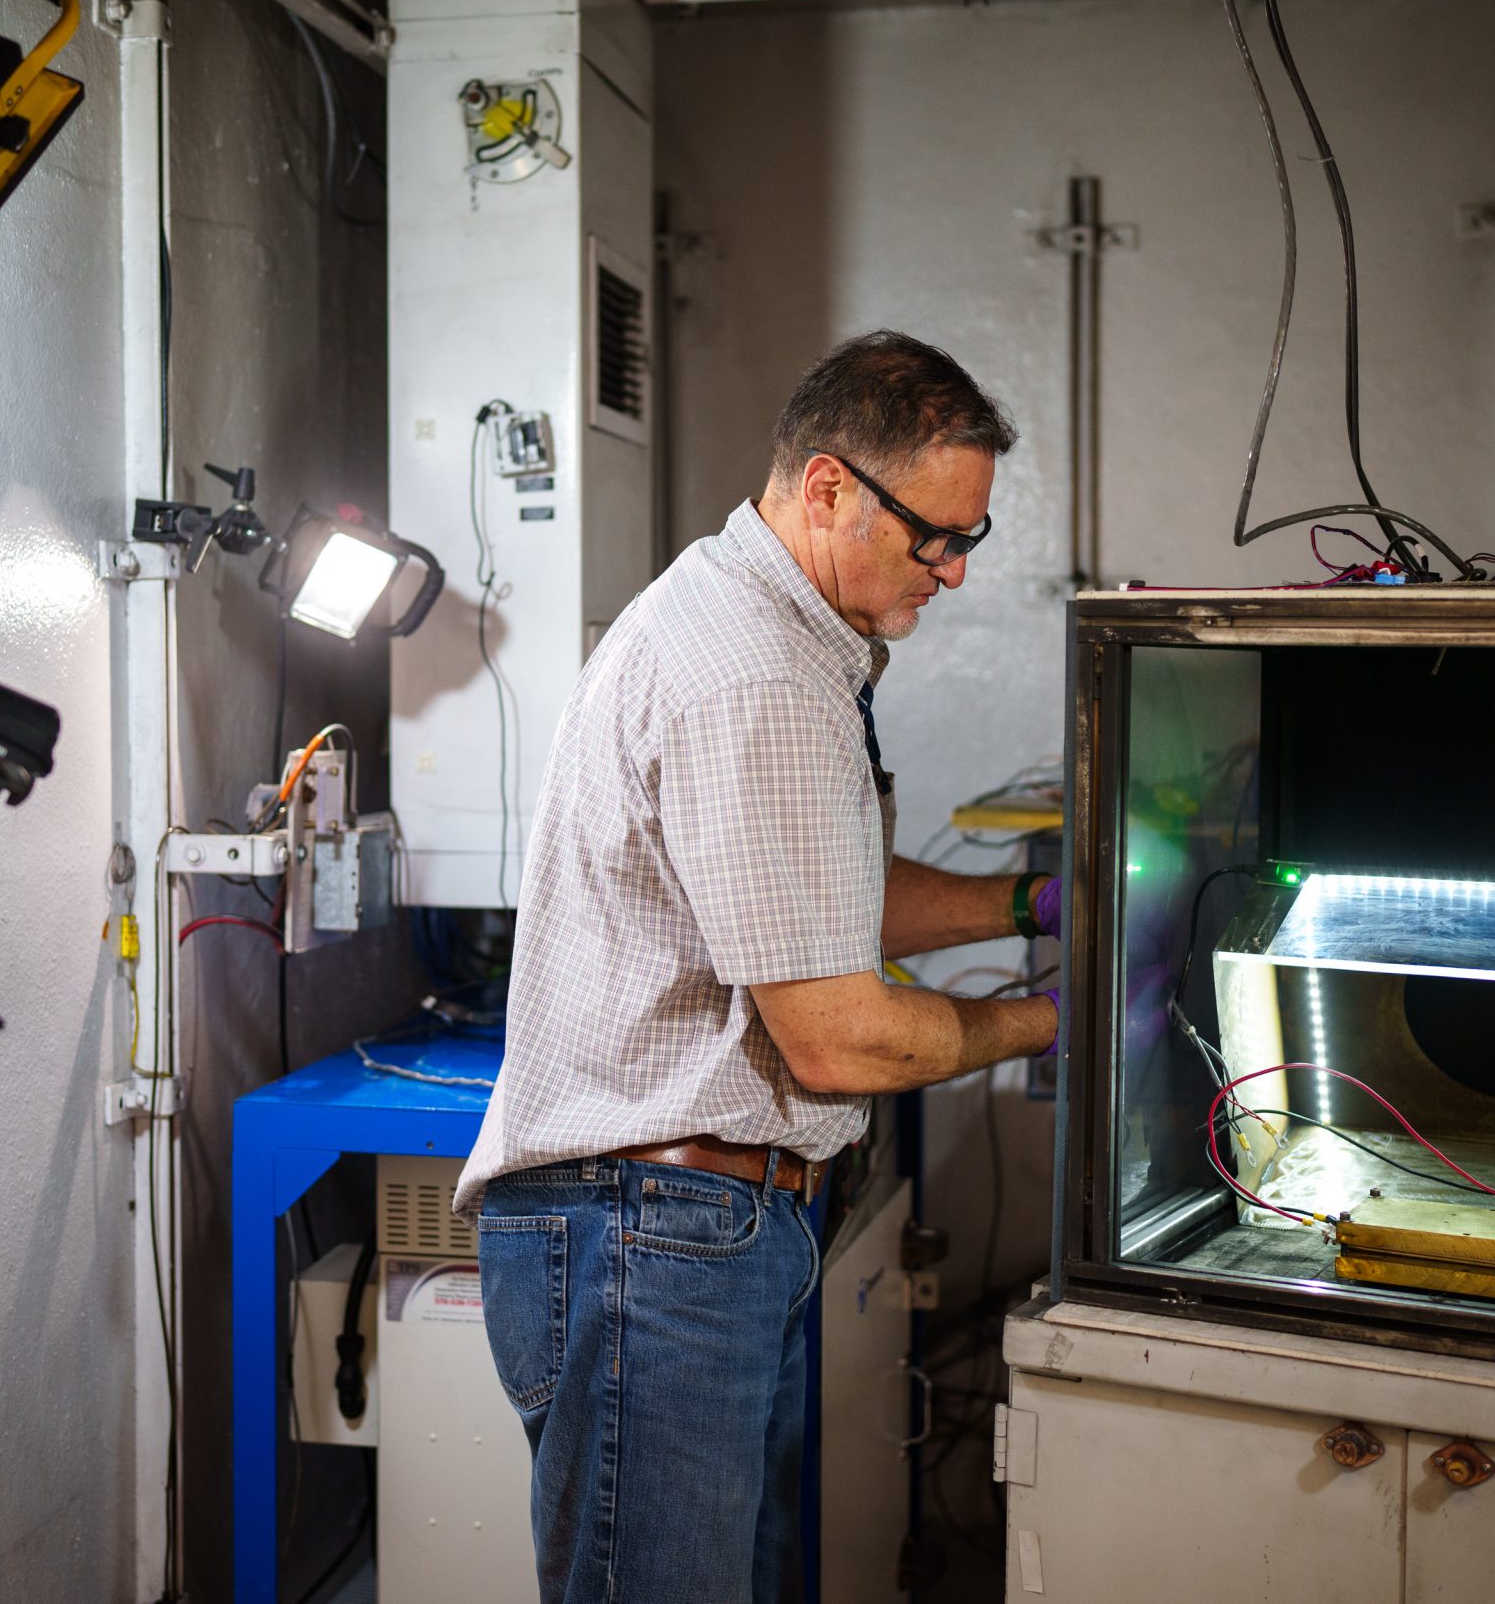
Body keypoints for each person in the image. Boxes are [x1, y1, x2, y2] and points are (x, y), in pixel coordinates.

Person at [454, 329, 1063, 1604]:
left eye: (971, 539)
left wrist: (1028, 900)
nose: (950, 571)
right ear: (830, 486)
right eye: (933, 537)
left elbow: (810, 902)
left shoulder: (759, 631)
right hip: (653, 1239)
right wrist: (1049, 1021)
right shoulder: (754, 676)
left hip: (688, 1233)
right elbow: (839, 1037)